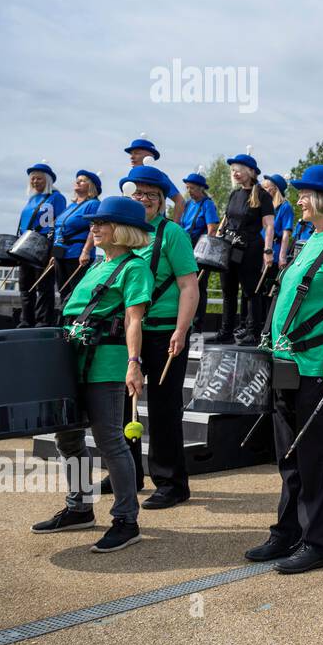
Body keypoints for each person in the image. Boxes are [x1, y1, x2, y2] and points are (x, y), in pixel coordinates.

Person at [247, 164, 323, 574]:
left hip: (317, 364)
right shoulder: (307, 240)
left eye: (304, 194)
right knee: (288, 455)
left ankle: (318, 543)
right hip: (286, 362)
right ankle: (286, 532)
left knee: (316, 456)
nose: (298, 200)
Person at [31, 196, 152, 552]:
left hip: (108, 364)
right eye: (93, 224)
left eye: (102, 223)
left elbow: (133, 319)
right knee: (67, 440)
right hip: (73, 363)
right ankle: (79, 507)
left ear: (124, 231)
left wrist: (134, 362)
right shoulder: (97, 266)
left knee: (110, 441)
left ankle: (126, 520)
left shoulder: (134, 268)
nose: (93, 228)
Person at [122, 166, 200, 509]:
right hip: (130, 331)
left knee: (164, 408)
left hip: (166, 332)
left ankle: (171, 483)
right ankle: (127, 473)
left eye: (151, 195)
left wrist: (181, 330)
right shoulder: (125, 233)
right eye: (137, 193)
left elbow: (188, 285)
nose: (143, 200)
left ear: (162, 200)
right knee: (126, 404)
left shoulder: (173, 234)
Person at [216, 154, 274, 345]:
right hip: (228, 246)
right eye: (232, 170)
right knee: (228, 291)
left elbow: (269, 225)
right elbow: (226, 219)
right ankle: (226, 332)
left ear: (250, 171)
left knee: (251, 291)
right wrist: (218, 238)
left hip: (250, 248)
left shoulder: (262, 196)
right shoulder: (234, 194)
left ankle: (253, 332)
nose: (235, 173)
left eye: (238, 169)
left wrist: (268, 251)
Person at [16, 162, 66, 327]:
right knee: (25, 284)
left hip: (44, 245)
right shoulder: (31, 199)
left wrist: (54, 249)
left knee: (43, 285)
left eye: (39, 178)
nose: (35, 181)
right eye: (33, 179)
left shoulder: (56, 197)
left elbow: (58, 223)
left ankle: (43, 320)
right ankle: (26, 319)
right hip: (25, 246)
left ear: (48, 180)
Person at [52, 170, 102, 301]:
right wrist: (54, 254)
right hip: (61, 252)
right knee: (62, 291)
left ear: (91, 186)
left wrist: (86, 251)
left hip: (77, 253)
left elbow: (94, 229)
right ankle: (63, 320)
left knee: (75, 291)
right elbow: (59, 229)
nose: (78, 182)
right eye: (77, 179)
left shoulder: (93, 204)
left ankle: (73, 319)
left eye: (83, 180)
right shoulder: (71, 206)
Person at [181, 171, 220, 334]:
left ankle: (197, 324)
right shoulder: (188, 204)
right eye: (188, 188)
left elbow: (212, 228)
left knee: (198, 286)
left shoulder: (207, 204)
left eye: (192, 188)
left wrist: (203, 249)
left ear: (200, 189)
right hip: (185, 247)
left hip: (200, 249)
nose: (189, 191)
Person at [124, 137, 185, 223]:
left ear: (150, 156)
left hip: (155, 230)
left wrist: (175, 226)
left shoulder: (160, 177)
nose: (132, 157)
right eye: (131, 154)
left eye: (137, 153)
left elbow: (180, 201)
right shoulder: (131, 176)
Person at [263, 173, 295, 283]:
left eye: (266, 188)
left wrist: (282, 257)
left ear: (275, 189)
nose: (263, 190)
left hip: (275, 252)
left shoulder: (285, 207)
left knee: (268, 287)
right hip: (261, 250)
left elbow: (286, 235)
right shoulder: (265, 206)